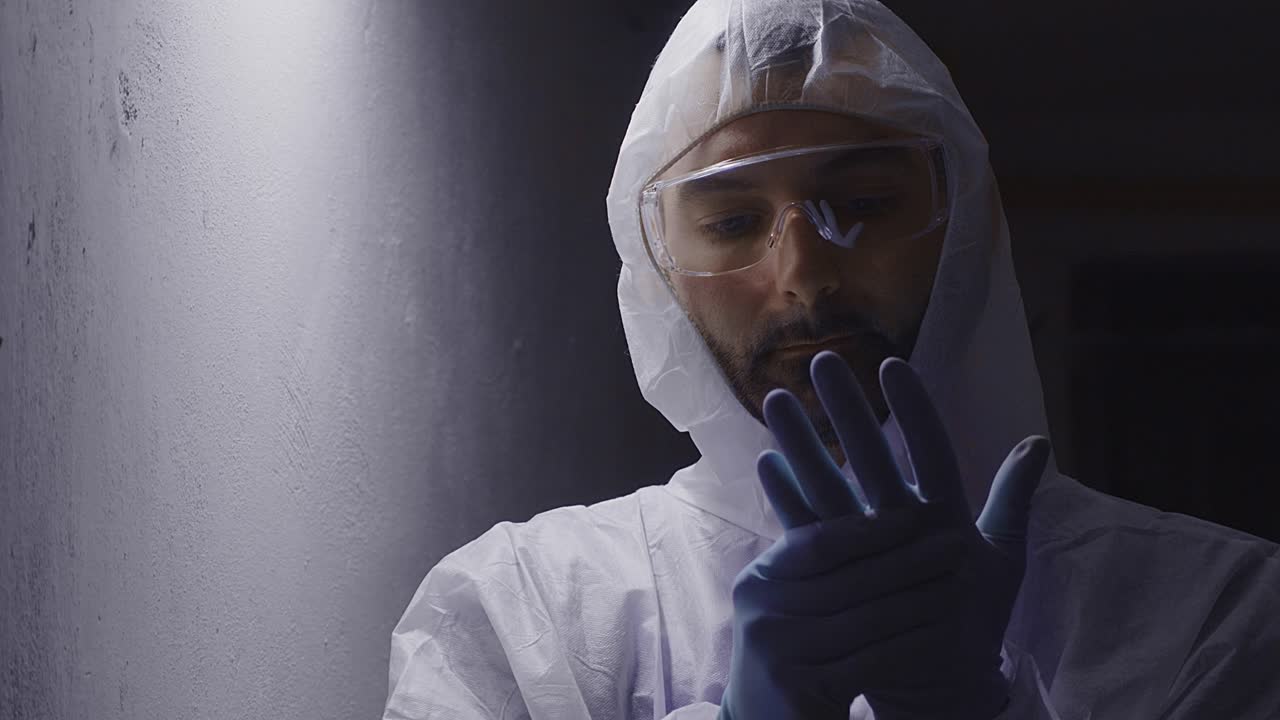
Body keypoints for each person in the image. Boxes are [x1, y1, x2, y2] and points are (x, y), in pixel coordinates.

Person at [382, 1, 1280, 718]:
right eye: (733, 222)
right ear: (661, 272)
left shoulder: (1212, 613)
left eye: (864, 200)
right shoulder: (525, 614)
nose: (804, 276)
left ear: (965, 230)